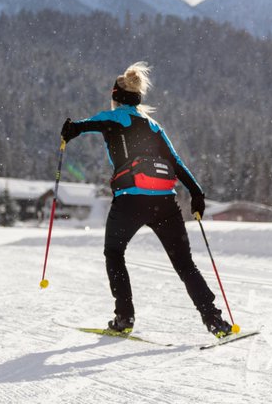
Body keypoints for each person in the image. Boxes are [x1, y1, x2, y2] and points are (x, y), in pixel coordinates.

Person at [61, 61, 233, 338]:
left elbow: (83, 126)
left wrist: (70, 130)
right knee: (184, 264)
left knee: (114, 254)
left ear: (115, 95)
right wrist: (197, 193)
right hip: (165, 201)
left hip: (130, 200)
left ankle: (124, 318)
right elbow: (175, 162)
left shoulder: (113, 118)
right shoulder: (154, 126)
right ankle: (215, 321)